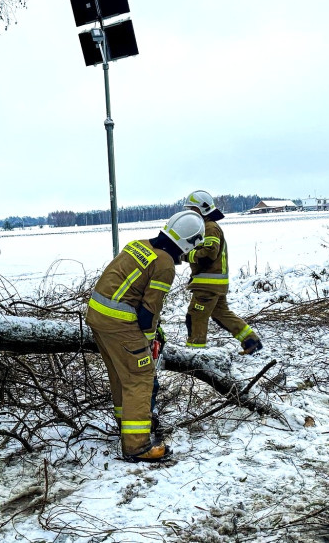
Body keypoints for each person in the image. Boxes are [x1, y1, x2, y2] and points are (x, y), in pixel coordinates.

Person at [86, 210, 205, 463]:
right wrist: (149, 340)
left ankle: (127, 426)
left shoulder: (139, 246)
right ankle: (138, 446)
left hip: (98, 317)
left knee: (121, 375)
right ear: (190, 242)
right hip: (120, 324)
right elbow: (149, 311)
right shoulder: (164, 264)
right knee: (140, 378)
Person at [182, 190, 263, 354]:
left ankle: (195, 354)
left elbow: (209, 254)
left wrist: (185, 255)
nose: (189, 213)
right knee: (221, 313)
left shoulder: (209, 228)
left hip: (207, 284)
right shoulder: (207, 227)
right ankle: (251, 341)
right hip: (215, 283)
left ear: (201, 209)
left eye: (192, 209)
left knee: (196, 316)